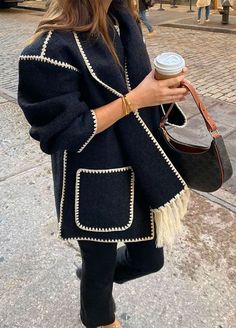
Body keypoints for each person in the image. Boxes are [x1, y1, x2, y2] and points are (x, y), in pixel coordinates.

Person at [18, 0, 190, 327]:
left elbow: (132, 85)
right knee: (98, 278)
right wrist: (136, 99)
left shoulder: (121, 23)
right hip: (94, 182)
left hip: (139, 167)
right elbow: (62, 133)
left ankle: (94, 277)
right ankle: (100, 316)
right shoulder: (48, 49)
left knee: (149, 261)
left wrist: (161, 90)